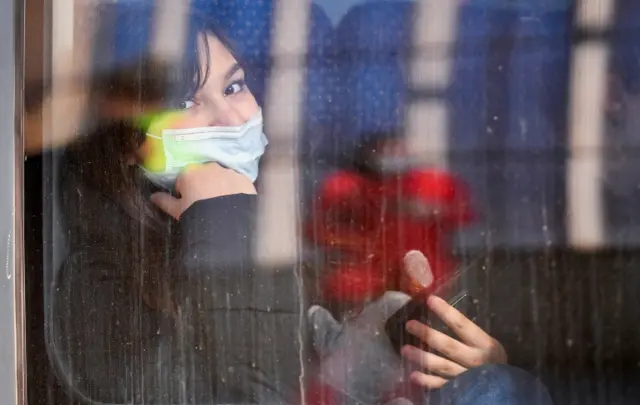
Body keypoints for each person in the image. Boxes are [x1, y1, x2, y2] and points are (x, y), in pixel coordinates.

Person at [45, 5, 553, 405]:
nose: (228, 116)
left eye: (235, 85)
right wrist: (226, 220)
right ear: (126, 144)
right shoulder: (96, 288)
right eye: (185, 101)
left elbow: (313, 369)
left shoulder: (253, 246)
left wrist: (455, 358)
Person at [306, 136, 475, 307]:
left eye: (397, 148)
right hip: (360, 284)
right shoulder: (344, 187)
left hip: (423, 280)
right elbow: (316, 233)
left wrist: (430, 210)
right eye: (385, 149)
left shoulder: (434, 183)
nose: (393, 155)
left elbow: (463, 217)